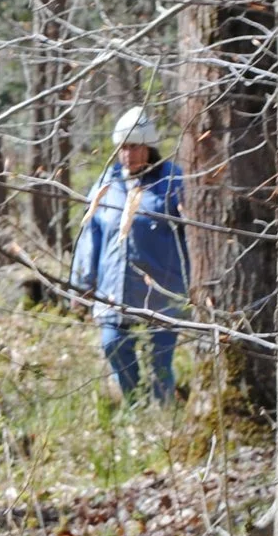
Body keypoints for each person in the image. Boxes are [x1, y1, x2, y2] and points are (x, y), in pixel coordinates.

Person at [70, 108, 190, 405]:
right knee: (113, 344)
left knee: (159, 360)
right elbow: (90, 235)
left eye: (134, 146)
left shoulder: (173, 182)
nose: (128, 154)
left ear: (148, 146)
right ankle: (134, 404)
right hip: (113, 290)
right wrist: (81, 282)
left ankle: (164, 414)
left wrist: (197, 281)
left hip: (162, 291)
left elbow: (193, 236)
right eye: (123, 147)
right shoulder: (106, 185)